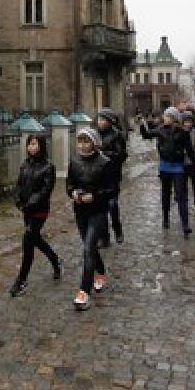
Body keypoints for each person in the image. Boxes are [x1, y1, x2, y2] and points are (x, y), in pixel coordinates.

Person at [66, 127, 116, 311]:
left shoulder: (105, 162)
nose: (82, 145)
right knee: (90, 247)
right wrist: (73, 193)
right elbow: (69, 184)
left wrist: (94, 196)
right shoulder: (74, 161)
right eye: (80, 141)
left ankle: (83, 292)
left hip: (98, 211)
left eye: (86, 141)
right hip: (80, 211)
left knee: (88, 248)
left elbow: (112, 189)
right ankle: (100, 271)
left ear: (94, 143)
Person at [10, 134, 61, 296]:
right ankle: (55, 259)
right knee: (35, 239)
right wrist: (18, 199)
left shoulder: (48, 167)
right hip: (26, 210)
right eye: (29, 144)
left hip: (39, 211)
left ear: (41, 146)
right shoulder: (25, 165)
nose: (31, 147)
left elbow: (45, 191)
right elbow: (19, 184)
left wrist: (30, 204)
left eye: (34, 144)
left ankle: (21, 280)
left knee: (28, 241)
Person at [141, 107, 195, 235]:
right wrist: (142, 124)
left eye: (167, 116)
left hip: (178, 166)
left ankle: (185, 224)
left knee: (181, 195)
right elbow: (146, 135)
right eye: (165, 116)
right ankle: (165, 218)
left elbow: (189, 150)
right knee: (166, 194)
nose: (164, 118)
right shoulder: (160, 130)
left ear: (174, 118)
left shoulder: (183, 132)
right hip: (165, 166)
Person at [95, 108, 127, 246]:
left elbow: (121, 155)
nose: (100, 122)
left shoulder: (117, 135)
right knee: (100, 207)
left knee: (112, 204)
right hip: (97, 176)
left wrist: (102, 153)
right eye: (99, 119)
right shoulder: (95, 134)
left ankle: (117, 229)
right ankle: (104, 237)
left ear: (110, 121)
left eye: (103, 119)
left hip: (112, 175)